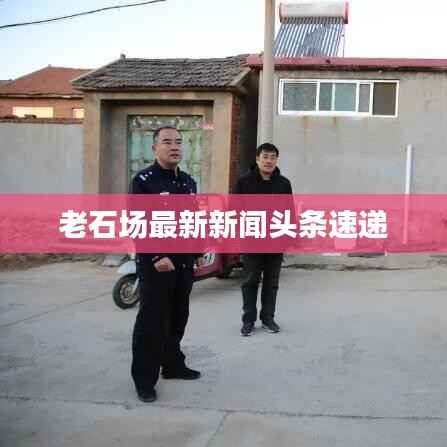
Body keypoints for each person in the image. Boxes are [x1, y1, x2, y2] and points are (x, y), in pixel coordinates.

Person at [130, 126, 204, 403]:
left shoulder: (187, 182)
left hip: (183, 263)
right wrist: (155, 256)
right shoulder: (144, 181)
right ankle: (144, 380)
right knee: (152, 323)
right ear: (154, 148)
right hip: (157, 265)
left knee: (178, 317)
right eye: (167, 142)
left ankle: (172, 365)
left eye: (179, 142)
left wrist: (198, 251)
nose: (174, 147)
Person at [233, 142, 293, 336]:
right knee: (250, 282)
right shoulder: (244, 183)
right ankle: (248, 320)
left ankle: (268, 319)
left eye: (272, 157)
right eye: (265, 157)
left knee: (271, 283)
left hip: (275, 242)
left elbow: (289, 212)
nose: (269, 161)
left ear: (276, 160)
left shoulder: (283, 183)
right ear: (257, 159)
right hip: (252, 241)